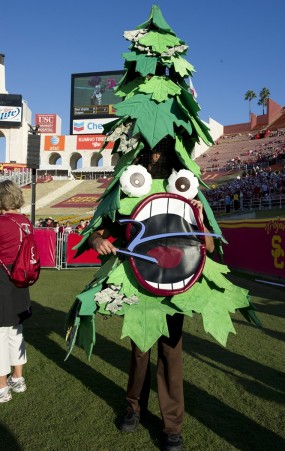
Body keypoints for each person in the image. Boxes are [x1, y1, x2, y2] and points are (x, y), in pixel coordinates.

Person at [87, 149, 215, 451]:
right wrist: (98, 240)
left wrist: (198, 217)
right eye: (151, 153)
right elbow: (97, 232)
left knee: (171, 355)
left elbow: (209, 244)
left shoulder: (187, 191)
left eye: (162, 152)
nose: (156, 159)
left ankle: (173, 427)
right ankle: (133, 408)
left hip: (174, 288)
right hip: (138, 286)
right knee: (140, 352)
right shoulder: (130, 191)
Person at [0, 180, 31, 403]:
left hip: (3, 281)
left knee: (0, 335)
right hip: (21, 281)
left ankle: (2, 387)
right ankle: (17, 379)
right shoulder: (25, 221)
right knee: (15, 330)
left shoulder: (2, 222)